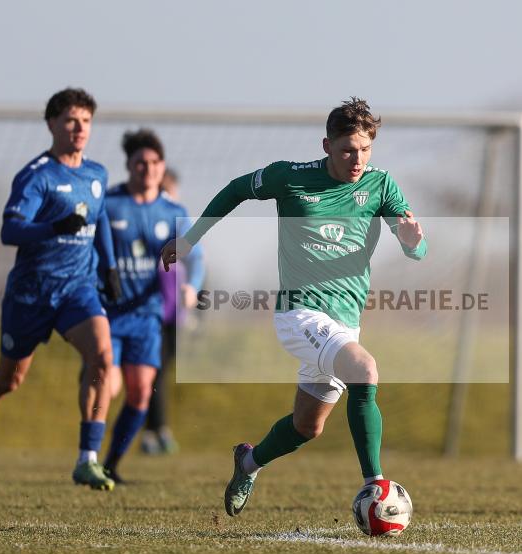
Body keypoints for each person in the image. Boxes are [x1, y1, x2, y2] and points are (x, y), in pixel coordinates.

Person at [160, 97, 427, 517]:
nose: (357, 159)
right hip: (299, 314)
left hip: (344, 323)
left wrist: (413, 242)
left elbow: (416, 246)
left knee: (308, 426)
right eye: (347, 150)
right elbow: (235, 189)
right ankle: (376, 487)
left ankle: (247, 462)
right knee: (365, 368)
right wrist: (190, 239)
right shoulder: (290, 177)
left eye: (365, 149)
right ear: (326, 145)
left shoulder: (381, 186)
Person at [0, 88, 122, 490]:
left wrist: (110, 268)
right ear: (52, 125)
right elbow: (10, 230)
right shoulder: (36, 176)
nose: (79, 129)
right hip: (31, 294)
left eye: (86, 121)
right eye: (70, 121)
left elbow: (100, 222)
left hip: (78, 290)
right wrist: (51, 228)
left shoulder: (96, 174)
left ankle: (87, 459)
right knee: (9, 380)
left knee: (102, 357)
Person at [100, 132, 203, 483]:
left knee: (142, 391)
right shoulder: (110, 204)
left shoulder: (173, 211)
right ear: (129, 166)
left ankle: (110, 464)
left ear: (162, 167)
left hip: (148, 317)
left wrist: (192, 286)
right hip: (108, 314)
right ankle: (87, 455)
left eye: (155, 163)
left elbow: (196, 254)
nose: (148, 169)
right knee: (107, 386)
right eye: (141, 163)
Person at [139, 167, 201, 455]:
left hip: (176, 315)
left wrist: (193, 291)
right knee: (153, 372)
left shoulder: (180, 221)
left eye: (170, 191)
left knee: (159, 373)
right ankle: (156, 432)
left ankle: (152, 432)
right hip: (149, 315)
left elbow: (197, 261)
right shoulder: (145, 222)